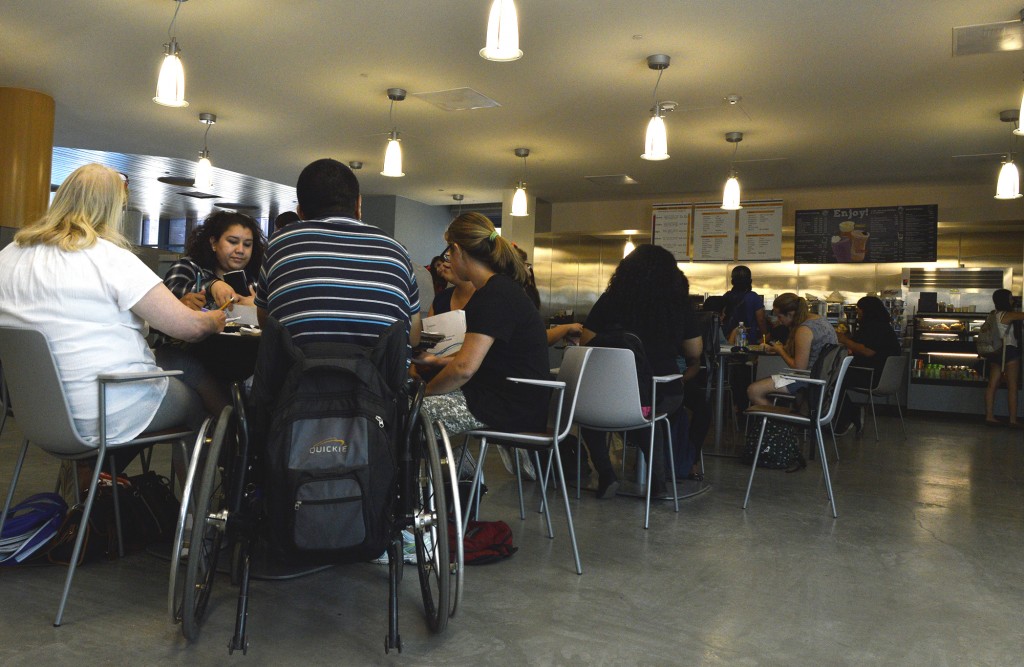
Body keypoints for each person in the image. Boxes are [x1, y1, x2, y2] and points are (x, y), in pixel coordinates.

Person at [0, 163, 225, 445]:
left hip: (36, 410)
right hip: (108, 409)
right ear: (113, 208)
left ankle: (96, 482)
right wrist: (213, 319)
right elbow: (187, 328)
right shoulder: (108, 257)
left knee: (179, 365)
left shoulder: (9, 254)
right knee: (194, 405)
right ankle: (206, 485)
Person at [255, 158, 421, 347]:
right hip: (379, 376)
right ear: (359, 205)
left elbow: (266, 323)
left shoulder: (280, 243)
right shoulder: (396, 251)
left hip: (295, 375)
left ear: (300, 212)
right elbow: (413, 338)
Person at [580, 244, 702, 498]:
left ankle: (606, 475)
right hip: (662, 392)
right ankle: (658, 483)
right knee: (648, 415)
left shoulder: (611, 299)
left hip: (610, 394)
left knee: (588, 417)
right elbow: (694, 351)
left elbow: (587, 341)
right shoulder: (678, 304)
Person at [415, 212, 550, 440]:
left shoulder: (494, 295)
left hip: (509, 407)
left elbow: (463, 369)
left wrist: (424, 393)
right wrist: (438, 361)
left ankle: (450, 470)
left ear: (457, 250)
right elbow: (485, 357)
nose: (448, 260)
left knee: (411, 414)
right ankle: (456, 469)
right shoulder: (497, 290)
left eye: (449, 253)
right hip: (512, 400)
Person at [162, 211, 266, 310]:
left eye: (247, 244)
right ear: (213, 243)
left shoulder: (257, 280)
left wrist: (261, 310)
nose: (240, 250)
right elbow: (170, 290)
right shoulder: (188, 266)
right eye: (233, 242)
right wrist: (212, 285)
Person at [747, 292, 837, 407]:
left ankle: (780, 422)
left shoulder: (804, 330)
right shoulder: (820, 320)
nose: (779, 321)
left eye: (780, 317)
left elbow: (799, 368)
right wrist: (778, 349)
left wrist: (780, 351)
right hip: (824, 380)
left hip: (809, 381)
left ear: (790, 314)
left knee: (754, 390)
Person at [833, 296, 901, 435]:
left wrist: (844, 340)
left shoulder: (875, 328)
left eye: (859, 311)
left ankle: (846, 418)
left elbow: (867, 351)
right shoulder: (884, 327)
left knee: (833, 378)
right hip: (883, 376)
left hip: (872, 375)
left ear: (867, 311)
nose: (857, 314)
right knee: (836, 377)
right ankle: (848, 414)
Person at [983, 288, 1024, 427]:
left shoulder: (993, 315)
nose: (1012, 300)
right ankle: (1012, 420)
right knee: (1012, 386)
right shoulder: (1008, 315)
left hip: (995, 352)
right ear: (1005, 300)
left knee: (992, 385)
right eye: (1011, 298)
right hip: (1010, 351)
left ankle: (989, 416)